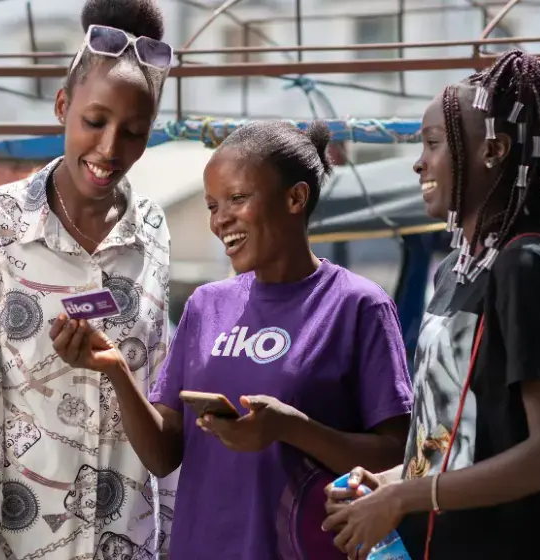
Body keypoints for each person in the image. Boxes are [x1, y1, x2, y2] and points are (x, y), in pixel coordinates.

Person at [50, 120, 415, 559]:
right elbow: (165, 454)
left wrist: (291, 428)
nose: (220, 220)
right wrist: (116, 370)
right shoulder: (206, 305)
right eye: (211, 205)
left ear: (295, 198)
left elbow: (397, 457)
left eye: (237, 199)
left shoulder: (358, 305)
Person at [323, 49, 540, 559]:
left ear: (492, 150)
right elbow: (459, 445)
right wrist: (388, 482)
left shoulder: (527, 265)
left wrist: (408, 494)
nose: (418, 161)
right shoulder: (454, 271)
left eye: (433, 143)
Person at [0, 0, 175, 558]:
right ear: (62, 106)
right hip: (17, 544)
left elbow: (159, 388)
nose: (109, 149)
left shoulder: (153, 228)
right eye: (95, 122)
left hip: (128, 541)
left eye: (133, 132)